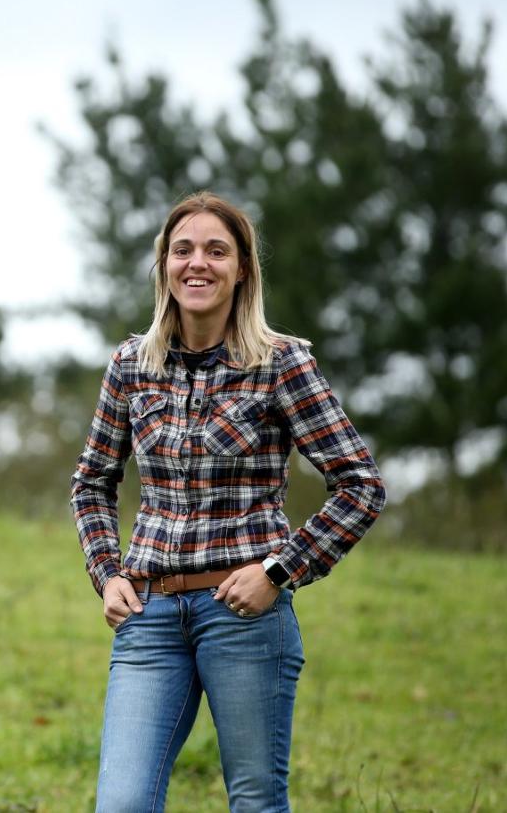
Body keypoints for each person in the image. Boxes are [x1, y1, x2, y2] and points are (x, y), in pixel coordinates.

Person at [70, 191, 386, 812]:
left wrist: (280, 571)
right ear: (165, 264)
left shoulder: (280, 364)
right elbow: (92, 481)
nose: (198, 263)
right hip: (149, 617)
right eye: (183, 249)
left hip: (243, 618)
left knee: (255, 802)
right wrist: (106, 574)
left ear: (242, 268)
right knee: (122, 804)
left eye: (217, 251)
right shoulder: (132, 365)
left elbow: (360, 483)